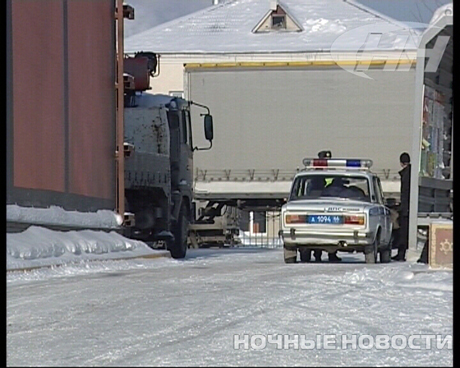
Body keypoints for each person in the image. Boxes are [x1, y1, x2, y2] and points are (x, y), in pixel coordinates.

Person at [392, 152, 411, 262]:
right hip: (408, 206)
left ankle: (401, 254)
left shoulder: (405, 175)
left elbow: (405, 192)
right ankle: (401, 253)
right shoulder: (410, 173)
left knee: (402, 232)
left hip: (406, 208)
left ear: (401, 162)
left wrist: (403, 207)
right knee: (404, 232)